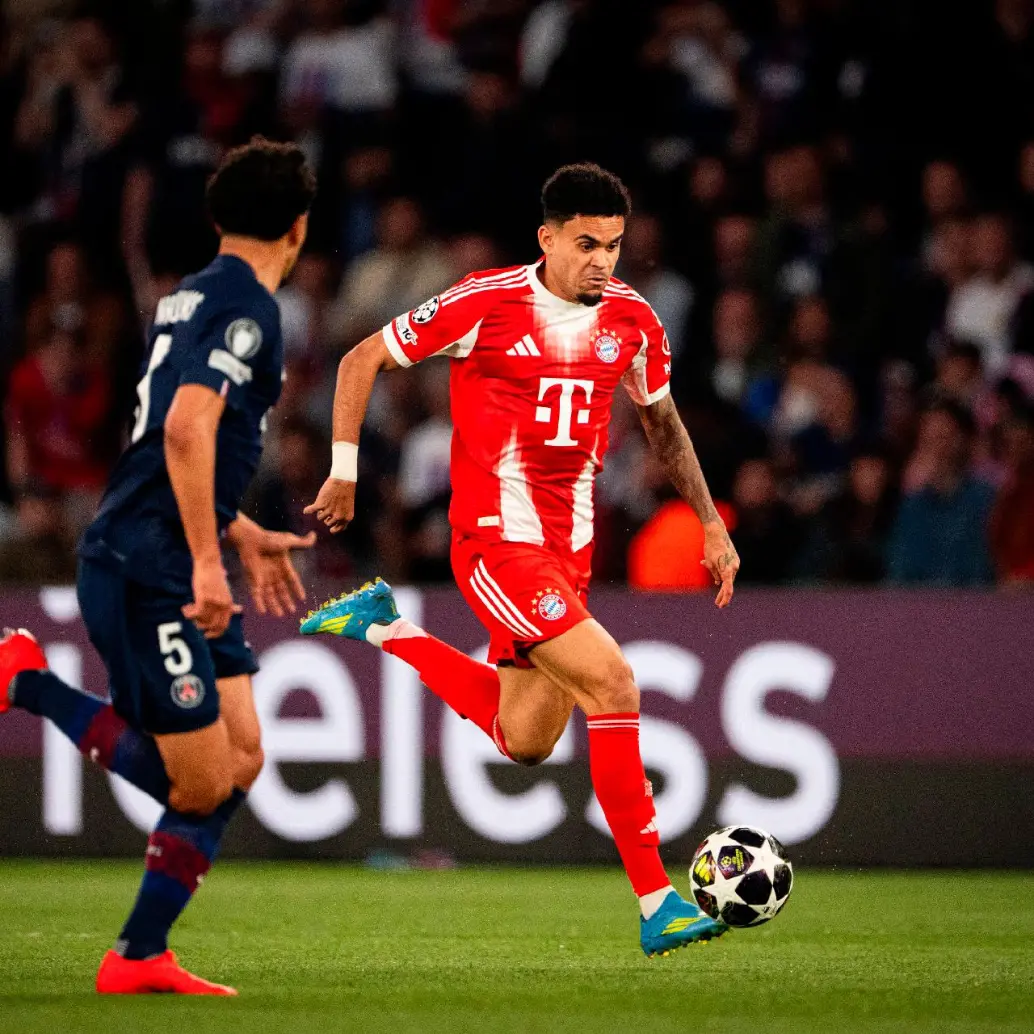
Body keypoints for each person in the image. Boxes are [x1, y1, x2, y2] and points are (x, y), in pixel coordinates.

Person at [302, 163, 741, 956]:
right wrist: (343, 470)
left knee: (527, 739)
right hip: (495, 544)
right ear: (547, 238)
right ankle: (657, 903)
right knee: (614, 683)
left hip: (569, 555)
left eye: (613, 244)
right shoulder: (485, 301)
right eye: (586, 243)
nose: (602, 260)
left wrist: (710, 521)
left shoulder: (635, 322)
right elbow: (360, 358)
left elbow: (663, 426)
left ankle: (384, 628)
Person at [0, 137, 318, 994]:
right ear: (297, 227)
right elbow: (182, 429)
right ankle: (25, 680)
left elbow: (167, 445)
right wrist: (209, 563)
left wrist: (234, 531)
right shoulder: (250, 309)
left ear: (219, 219)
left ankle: (140, 957)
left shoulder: (188, 295)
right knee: (202, 781)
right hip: (152, 566)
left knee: (241, 759)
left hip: (169, 545)